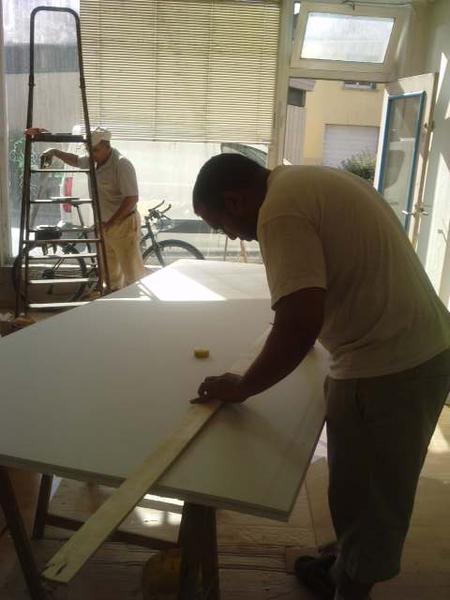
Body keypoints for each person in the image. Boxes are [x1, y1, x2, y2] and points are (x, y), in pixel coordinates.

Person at [191, 153, 450, 600]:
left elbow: (299, 322)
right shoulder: (307, 181)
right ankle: (343, 566)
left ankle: (350, 589)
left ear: (234, 201)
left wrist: (243, 386)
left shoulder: (279, 211)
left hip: (391, 367)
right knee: (353, 486)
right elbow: (325, 285)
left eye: (220, 225)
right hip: (409, 348)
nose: (230, 236)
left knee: (371, 501)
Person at [30, 127, 145, 291]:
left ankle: (136, 304)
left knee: (132, 274)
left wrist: (111, 223)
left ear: (106, 146)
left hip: (123, 225)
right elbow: (76, 160)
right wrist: (55, 152)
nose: (92, 154)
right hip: (105, 224)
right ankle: (113, 300)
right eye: (89, 150)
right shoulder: (95, 160)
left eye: (95, 150)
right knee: (110, 274)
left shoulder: (122, 164)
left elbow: (132, 198)